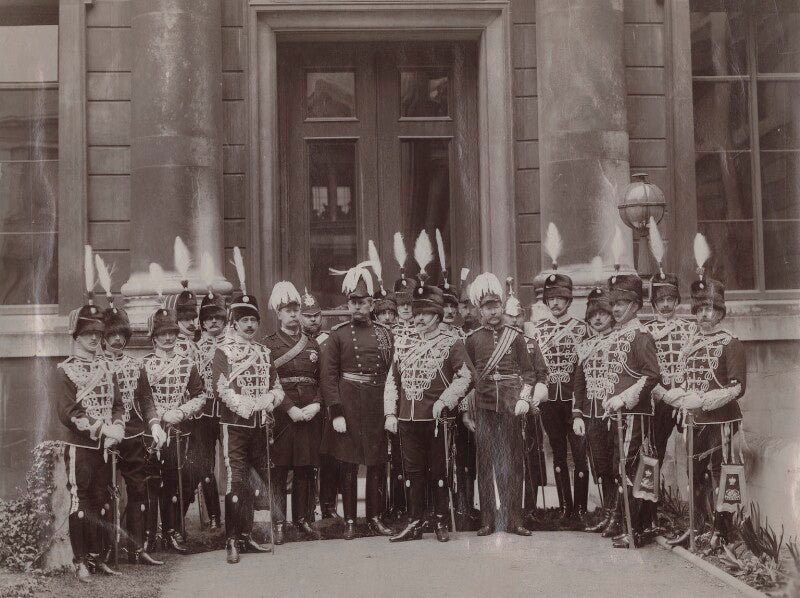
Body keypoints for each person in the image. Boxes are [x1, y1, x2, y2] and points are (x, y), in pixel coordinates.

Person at [383, 236, 475, 543]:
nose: (418, 317)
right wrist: (390, 413)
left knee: (439, 471)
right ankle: (414, 521)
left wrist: (446, 402)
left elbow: (466, 378)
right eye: (415, 311)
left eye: (424, 312)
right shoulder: (403, 341)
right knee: (412, 473)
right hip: (407, 419)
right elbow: (392, 380)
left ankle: (438, 520)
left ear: (436, 314)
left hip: (437, 419)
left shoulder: (452, 342)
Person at [667, 235, 747, 549]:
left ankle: (723, 531)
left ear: (721, 311)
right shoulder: (691, 345)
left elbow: (737, 387)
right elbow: (685, 379)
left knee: (723, 473)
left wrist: (703, 400)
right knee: (695, 473)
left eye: (711, 309)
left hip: (723, 420)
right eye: (700, 309)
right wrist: (679, 399)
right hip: (696, 420)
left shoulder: (731, 342)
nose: (705, 315)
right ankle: (698, 526)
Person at [56, 254, 126, 582]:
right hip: (81, 447)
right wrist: (102, 429)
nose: (95, 339)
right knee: (80, 500)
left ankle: (98, 557)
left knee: (101, 499)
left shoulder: (107, 367)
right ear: (76, 335)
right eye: (88, 334)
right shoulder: (66, 370)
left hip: (105, 443)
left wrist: (118, 428)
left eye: (98, 334)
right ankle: (80, 559)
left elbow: (118, 404)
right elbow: (69, 413)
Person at [213, 249, 285, 564]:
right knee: (236, 480)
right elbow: (220, 387)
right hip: (234, 425)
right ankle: (231, 540)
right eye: (244, 320)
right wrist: (245, 405)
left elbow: (276, 385)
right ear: (234, 322)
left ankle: (247, 535)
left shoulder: (264, 352)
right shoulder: (222, 352)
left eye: (253, 319)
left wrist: (269, 401)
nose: (250, 325)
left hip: (259, 425)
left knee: (260, 480)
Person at [464, 272, 548, 536]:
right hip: (485, 408)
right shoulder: (473, 339)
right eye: (488, 307)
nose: (494, 311)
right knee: (486, 463)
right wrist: (467, 412)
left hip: (512, 407)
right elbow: (467, 379)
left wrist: (525, 397)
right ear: (480, 310)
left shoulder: (516, 337)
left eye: (497, 306)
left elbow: (529, 373)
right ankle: (488, 520)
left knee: (513, 462)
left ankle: (515, 519)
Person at [320, 263, 394, 540]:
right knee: (348, 463)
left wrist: (390, 410)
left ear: (371, 303)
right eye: (353, 302)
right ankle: (350, 518)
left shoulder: (385, 334)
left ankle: (374, 516)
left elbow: (391, 374)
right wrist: (336, 412)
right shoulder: (337, 335)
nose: (357, 308)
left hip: (376, 401)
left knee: (376, 462)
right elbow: (329, 377)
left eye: (362, 302)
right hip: (349, 402)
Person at [530, 225, 592, 522]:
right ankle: (566, 507)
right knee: (556, 450)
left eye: (560, 298)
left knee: (579, 454)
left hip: (573, 400)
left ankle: (581, 508)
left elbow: (586, 368)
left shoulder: (581, 328)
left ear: (569, 300)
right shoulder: (537, 331)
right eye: (550, 298)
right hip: (548, 401)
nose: (554, 302)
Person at [102, 298, 167, 566]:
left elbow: (146, 399)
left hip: (134, 435)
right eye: (111, 335)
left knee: (138, 490)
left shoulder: (134, 364)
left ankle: (137, 548)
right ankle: (105, 549)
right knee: (104, 493)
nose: (117, 340)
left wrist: (154, 425)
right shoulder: (96, 366)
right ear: (103, 337)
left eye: (121, 334)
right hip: (104, 436)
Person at [601, 268, 660, 549]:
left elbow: (652, 375)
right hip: (618, 414)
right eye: (613, 304)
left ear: (635, 306)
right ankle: (632, 525)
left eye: (620, 304)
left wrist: (625, 399)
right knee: (620, 468)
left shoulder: (641, 336)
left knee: (630, 468)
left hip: (635, 414)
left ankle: (636, 528)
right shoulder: (618, 335)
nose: (615, 309)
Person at [141, 302, 206, 554]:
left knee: (174, 484)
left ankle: (171, 532)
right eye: (162, 334)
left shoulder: (187, 364)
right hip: (152, 433)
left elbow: (200, 396)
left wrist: (180, 412)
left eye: (171, 333)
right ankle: (149, 535)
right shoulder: (143, 365)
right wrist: (156, 419)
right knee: (151, 484)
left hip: (179, 432)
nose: (168, 338)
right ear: (154, 338)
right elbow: (143, 398)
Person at [264, 281, 324, 544]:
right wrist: (289, 408)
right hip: (282, 415)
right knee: (279, 470)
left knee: (305, 468)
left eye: (295, 309)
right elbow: (268, 382)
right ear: (278, 313)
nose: (292, 313)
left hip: (310, 414)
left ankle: (303, 520)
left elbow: (323, 379)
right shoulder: (268, 345)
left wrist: (317, 404)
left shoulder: (312, 344)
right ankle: (279, 522)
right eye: (286, 310)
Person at [572, 273, 619, 536]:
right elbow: (579, 383)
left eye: (603, 313)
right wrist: (578, 414)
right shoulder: (585, 346)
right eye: (594, 314)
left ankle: (621, 515)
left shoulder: (620, 340)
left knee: (616, 465)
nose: (598, 318)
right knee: (600, 466)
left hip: (615, 413)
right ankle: (609, 513)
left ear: (612, 315)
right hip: (592, 414)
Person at [301, 289, 340, 520]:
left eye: (316, 314)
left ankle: (328, 506)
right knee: (306, 459)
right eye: (308, 315)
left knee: (329, 458)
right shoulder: (295, 341)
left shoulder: (331, 339)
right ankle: (306, 509)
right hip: (304, 405)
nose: (313, 319)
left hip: (326, 406)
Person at [195, 285, 229, 530]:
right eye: (209, 318)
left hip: (229, 409)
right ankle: (214, 516)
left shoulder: (234, 345)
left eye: (218, 317)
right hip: (204, 411)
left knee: (231, 462)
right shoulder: (194, 350)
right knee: (205, 465)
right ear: (203, 323)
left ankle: (234, 512)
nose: (213, 322)